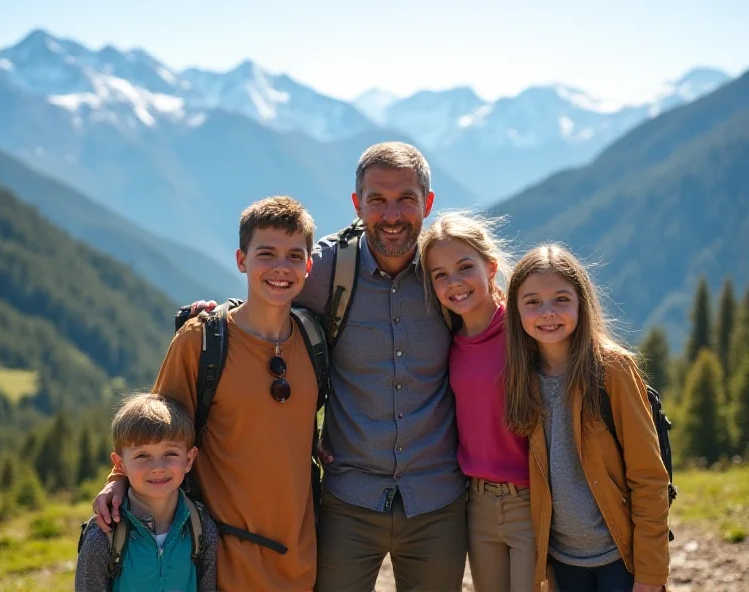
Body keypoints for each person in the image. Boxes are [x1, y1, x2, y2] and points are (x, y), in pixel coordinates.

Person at [185, 142, 467, 591]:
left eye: (406, 200)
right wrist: (216, 313)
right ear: (357, 204)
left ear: (428, 203)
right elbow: (271, 291)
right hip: (348, 499)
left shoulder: (447, 270)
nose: (391, 214)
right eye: (377, 200)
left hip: (438, 501)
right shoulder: (327, 268)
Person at [94, 196, 322, 591]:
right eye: (265, 253)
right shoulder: (201, 341)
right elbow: (155, 428)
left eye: (293, 256)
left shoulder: (314, 339)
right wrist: (117, 479)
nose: (281, 268)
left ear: (308, 265)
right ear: (240, 259)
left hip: (301, 560)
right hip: (221, 561)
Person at [504, 244, 670, 592]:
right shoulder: (522, 377)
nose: (547, 312)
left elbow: (649, 477)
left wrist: (651, 575)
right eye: (532, 301)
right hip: (562, 562)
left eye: (561, 299)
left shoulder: (612, 369)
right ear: (516, 311)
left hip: (619, 559)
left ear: (582, 302)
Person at [419, 212, 535, 592]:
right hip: (478, 504)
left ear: (491, 267)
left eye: (465, 267)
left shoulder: (524, 334)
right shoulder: (448, 343)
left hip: (531, 500)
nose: (454, 283)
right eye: (440, 274)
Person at [76, 393, 218, 592]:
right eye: (143, 455)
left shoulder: (201, 528)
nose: (158, 467)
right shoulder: (104, 535)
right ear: (120, 464)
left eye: (170, 453)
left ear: (189, 459)